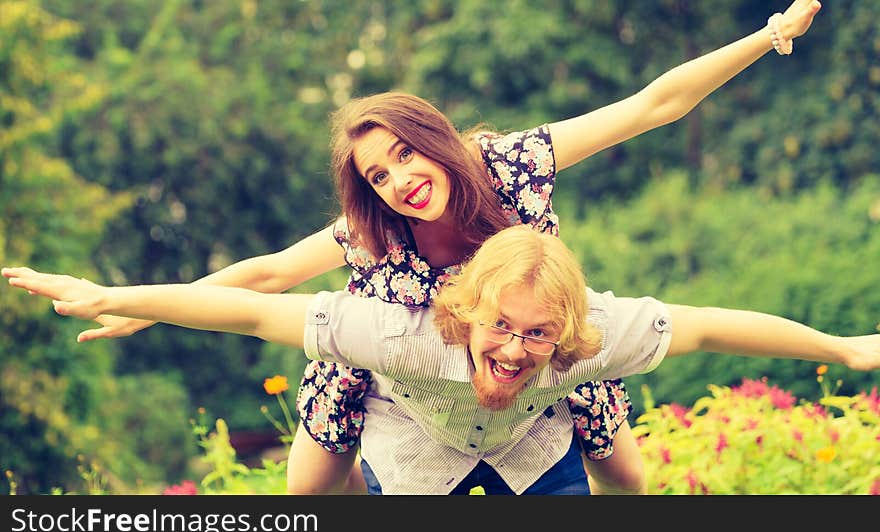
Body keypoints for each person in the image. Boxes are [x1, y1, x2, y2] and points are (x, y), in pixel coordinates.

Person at [49, 0, 824, 494]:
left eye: (405, 156)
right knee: (309, 489)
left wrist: (767, 35)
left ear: (434, 140)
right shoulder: (378, 230)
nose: (398, 181)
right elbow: (269, 276)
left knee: (622, 467)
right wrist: (141, 309)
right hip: (403, 362)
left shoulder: (512, 163)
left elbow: (653, 105)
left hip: (530, 341)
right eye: (378, 175)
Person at [4, 223, 878, 494]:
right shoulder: (403, 334)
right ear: (467, 313)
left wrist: (844, 348)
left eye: (538, 338)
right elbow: (245, 306)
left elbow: (718, 328)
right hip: (417, 455)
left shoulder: (591, 337)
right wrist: (116, 297)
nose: (516, 349)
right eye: (503, 328)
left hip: (536, 459)